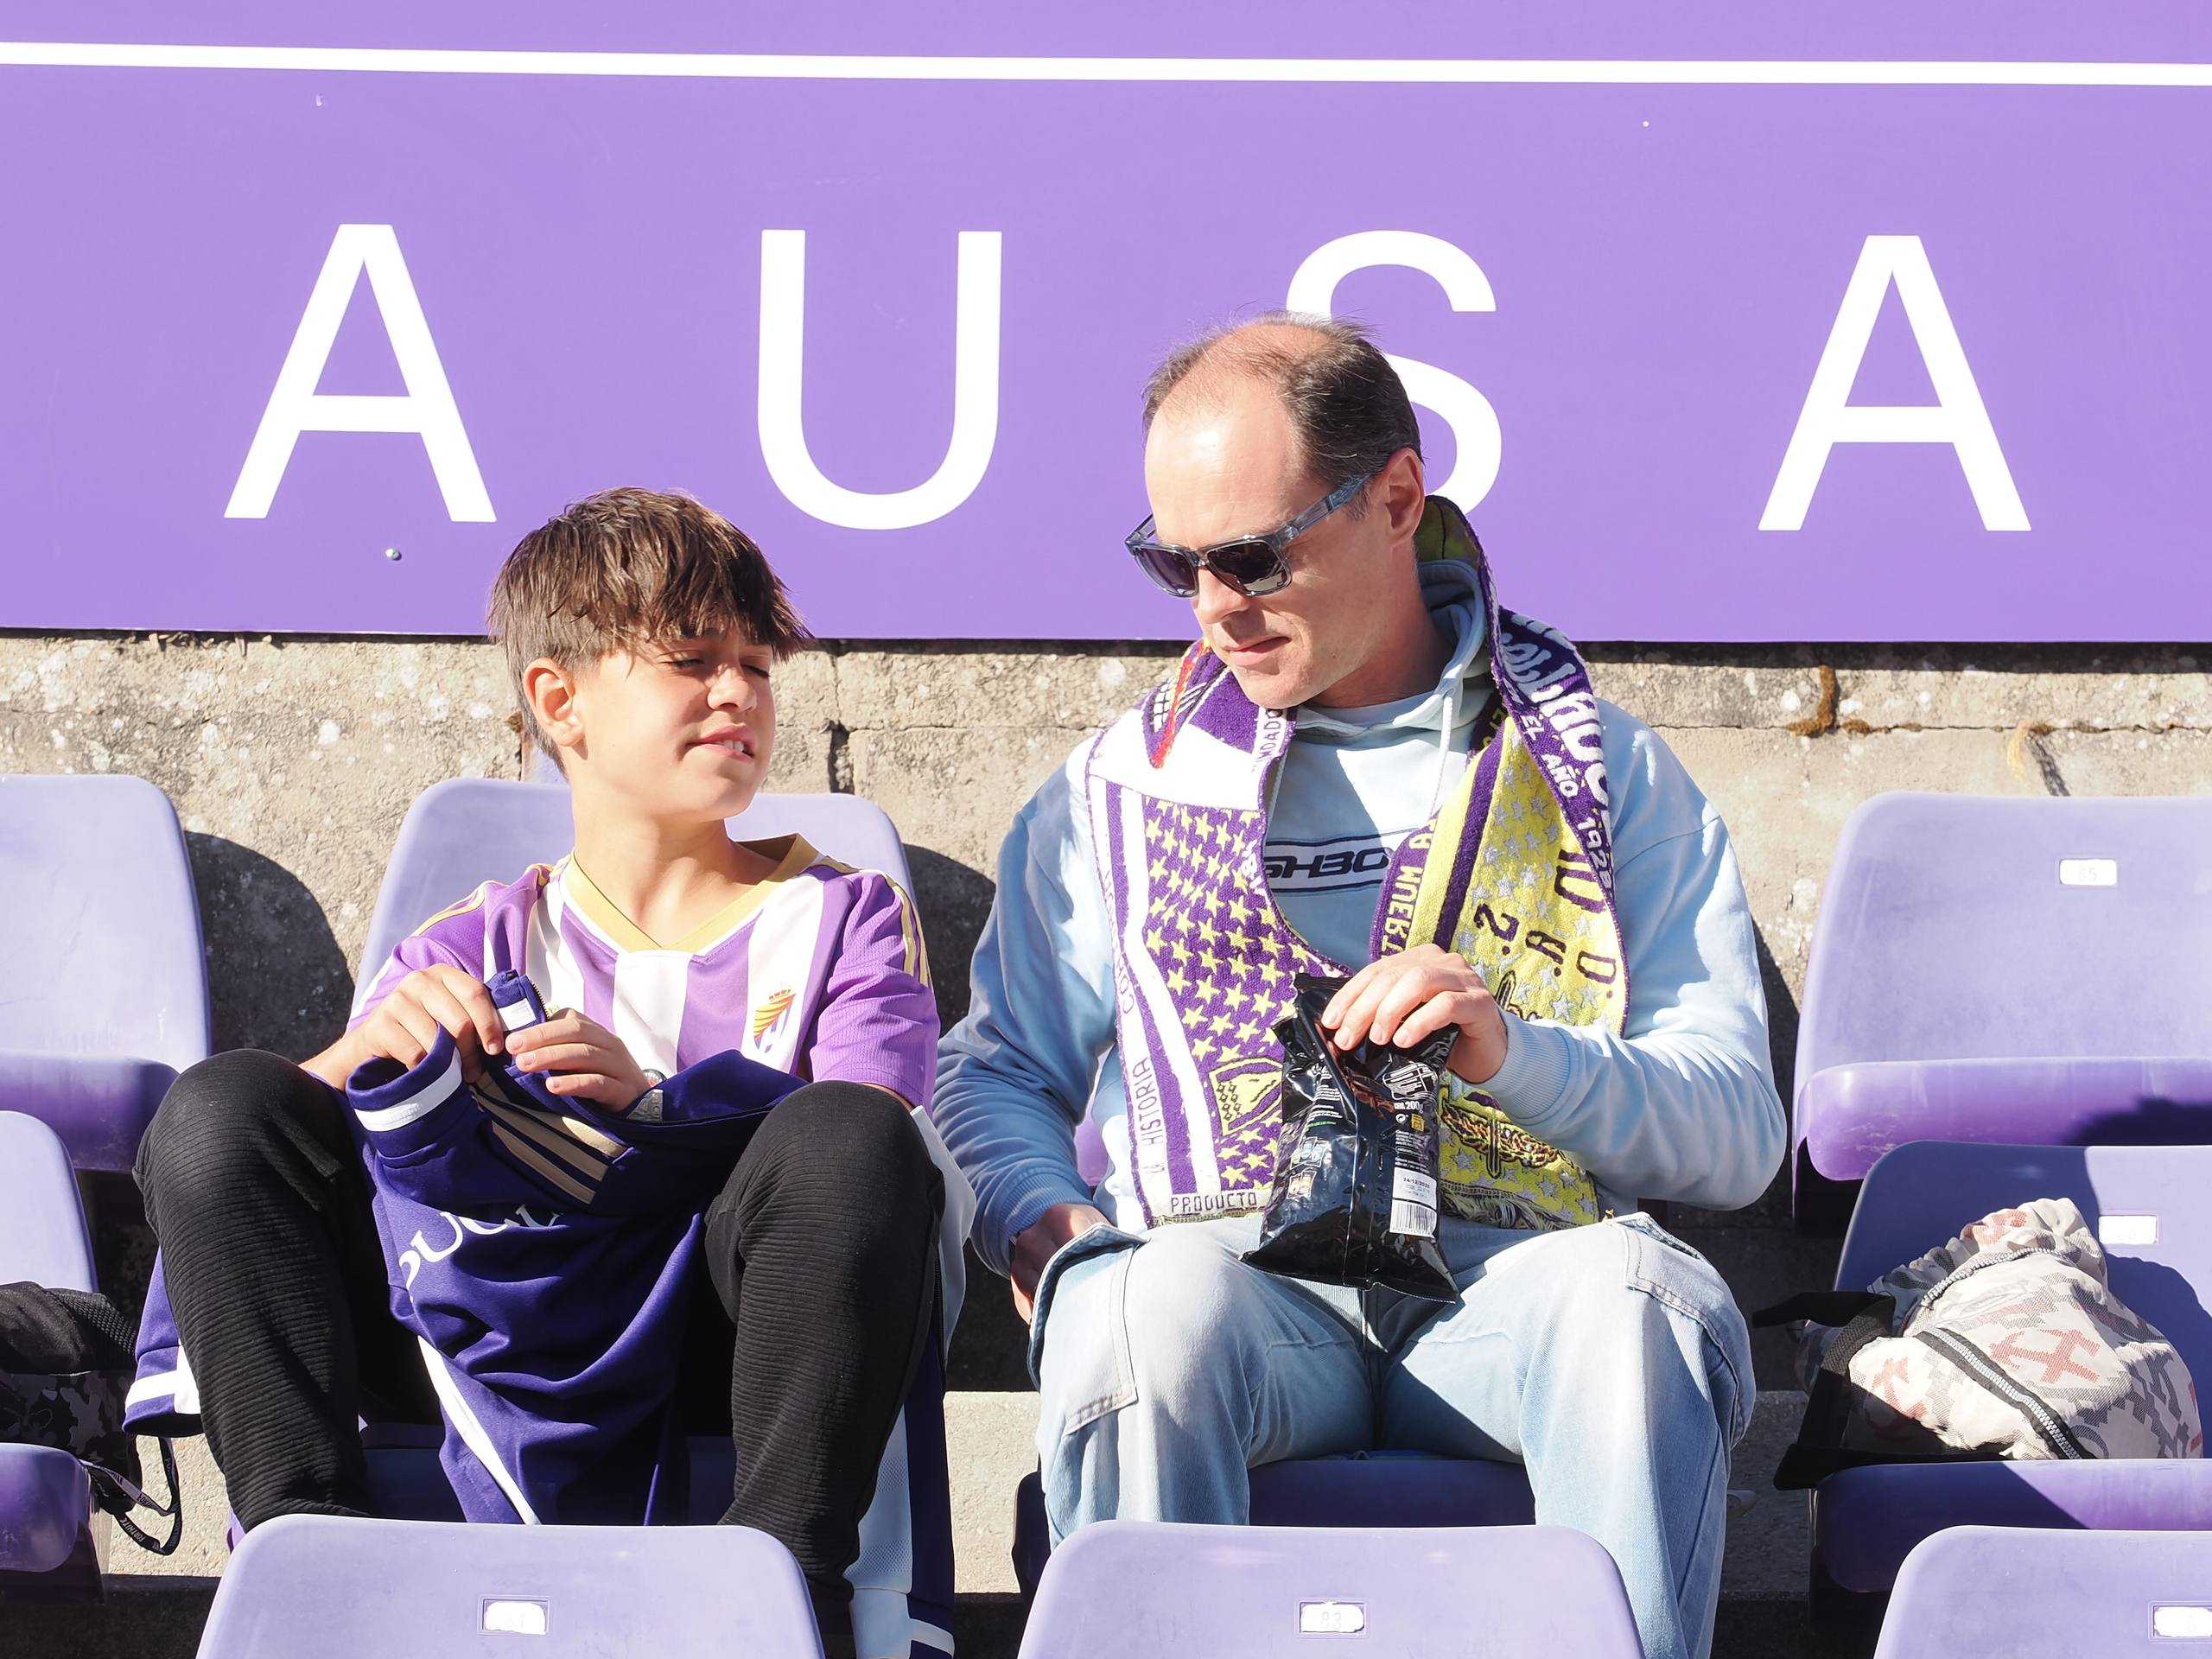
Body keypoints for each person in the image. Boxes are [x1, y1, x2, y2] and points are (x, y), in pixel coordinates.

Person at [936, 316, 1785, 1659]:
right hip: (1238, 1294)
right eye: (1176, 563)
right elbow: (993, 1074)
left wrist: (1514, 1052)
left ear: (1396, 497)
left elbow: (1736, 1133)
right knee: (1133, 1305)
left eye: (1253, 556)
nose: (1215, 605)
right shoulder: (1117, 787)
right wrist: (1046, 1221)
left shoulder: (1602, 772)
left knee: (1637, 1302)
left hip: (1513, 1293)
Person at [129, 488, 967, 1659]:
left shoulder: (846, 915)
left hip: (719, 1341)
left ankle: (785, 1585)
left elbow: (879, 1150)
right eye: (692, 660)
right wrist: (353, 1066)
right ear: (560, 700)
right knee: (223, 1107)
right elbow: (245, 1155)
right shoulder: (469, 939)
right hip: (481, 1328)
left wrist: (660, 1109)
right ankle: (303, 1551)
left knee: (850, 1140)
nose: (738, 693)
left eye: (756, 665)